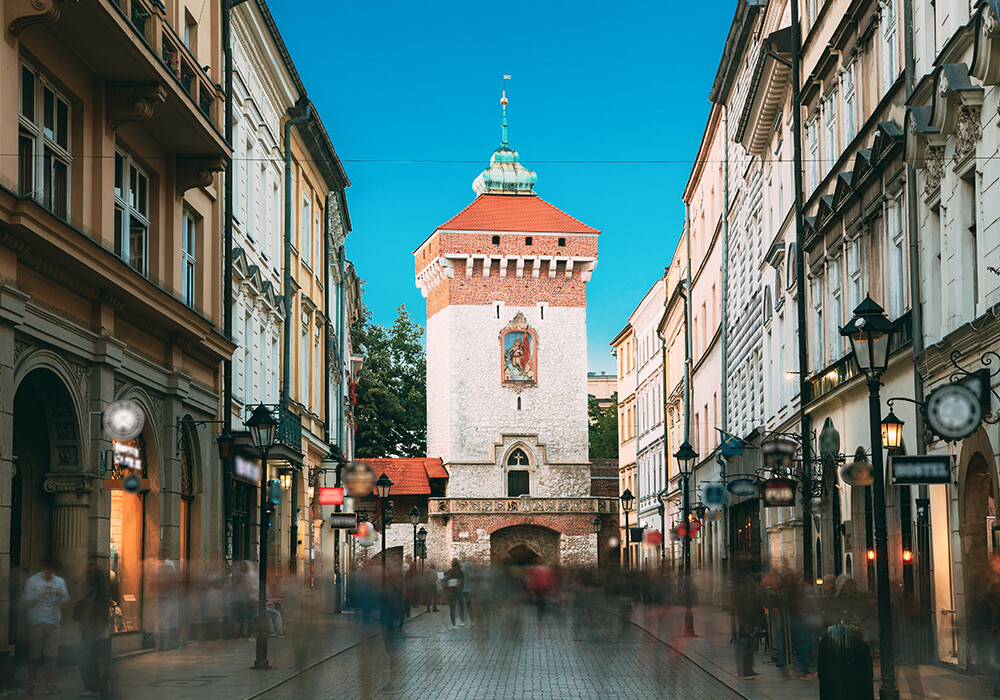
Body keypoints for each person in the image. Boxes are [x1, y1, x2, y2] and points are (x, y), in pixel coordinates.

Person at [21, 560, 70, 696]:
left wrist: (60, 595)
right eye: (46, 569)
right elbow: (26, 600)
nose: (48, 572)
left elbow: (66, 599)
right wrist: (39, 595)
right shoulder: (33, 581)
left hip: (53, 623)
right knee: (34, 656)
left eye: (50, 570)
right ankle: (32, 685)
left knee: (51, 656)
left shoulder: (59, 581)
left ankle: (50, 684)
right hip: (37, 623)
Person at [75, 562, 111, 697]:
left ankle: (98, 686)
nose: (88, 576)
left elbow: (102, 616)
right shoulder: (87, 592)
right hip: (87, 631)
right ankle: (91, 686)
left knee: (96, 661)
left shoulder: (100, 595)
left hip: (97, 633)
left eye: (91, 573)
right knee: (85, 661)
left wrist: (95, 632)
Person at [444, 559, 465, 628]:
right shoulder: (460, 572)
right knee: (460, 606)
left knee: (452, 608)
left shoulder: (449, 572)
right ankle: (462, 621)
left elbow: (445, 581)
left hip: (450, 592)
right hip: (458, 591)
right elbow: (463, 582)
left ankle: (454, 624)